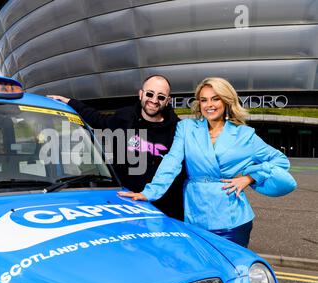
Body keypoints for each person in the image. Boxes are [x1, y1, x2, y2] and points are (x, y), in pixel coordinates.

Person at [118, 77, 295, 247]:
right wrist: (149, 192)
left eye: (215, 99)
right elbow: (172, 162)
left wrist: (249, 177)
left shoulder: (245, 135)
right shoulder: (186, 128)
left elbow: (280, 160)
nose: (209, 105)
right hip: (195, 217)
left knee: (233, 272)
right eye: (204, 100)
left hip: (232, 220)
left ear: (226, 101)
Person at [48, 75, 186, 221]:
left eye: (161, 97)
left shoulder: (178, 130)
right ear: (141, 94)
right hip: (125, 204)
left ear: (168, 100)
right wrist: (70, 102)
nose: (154, 100)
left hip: (163, 211)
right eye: (149, 94)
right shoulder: (124, 117)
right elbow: (98, 120)